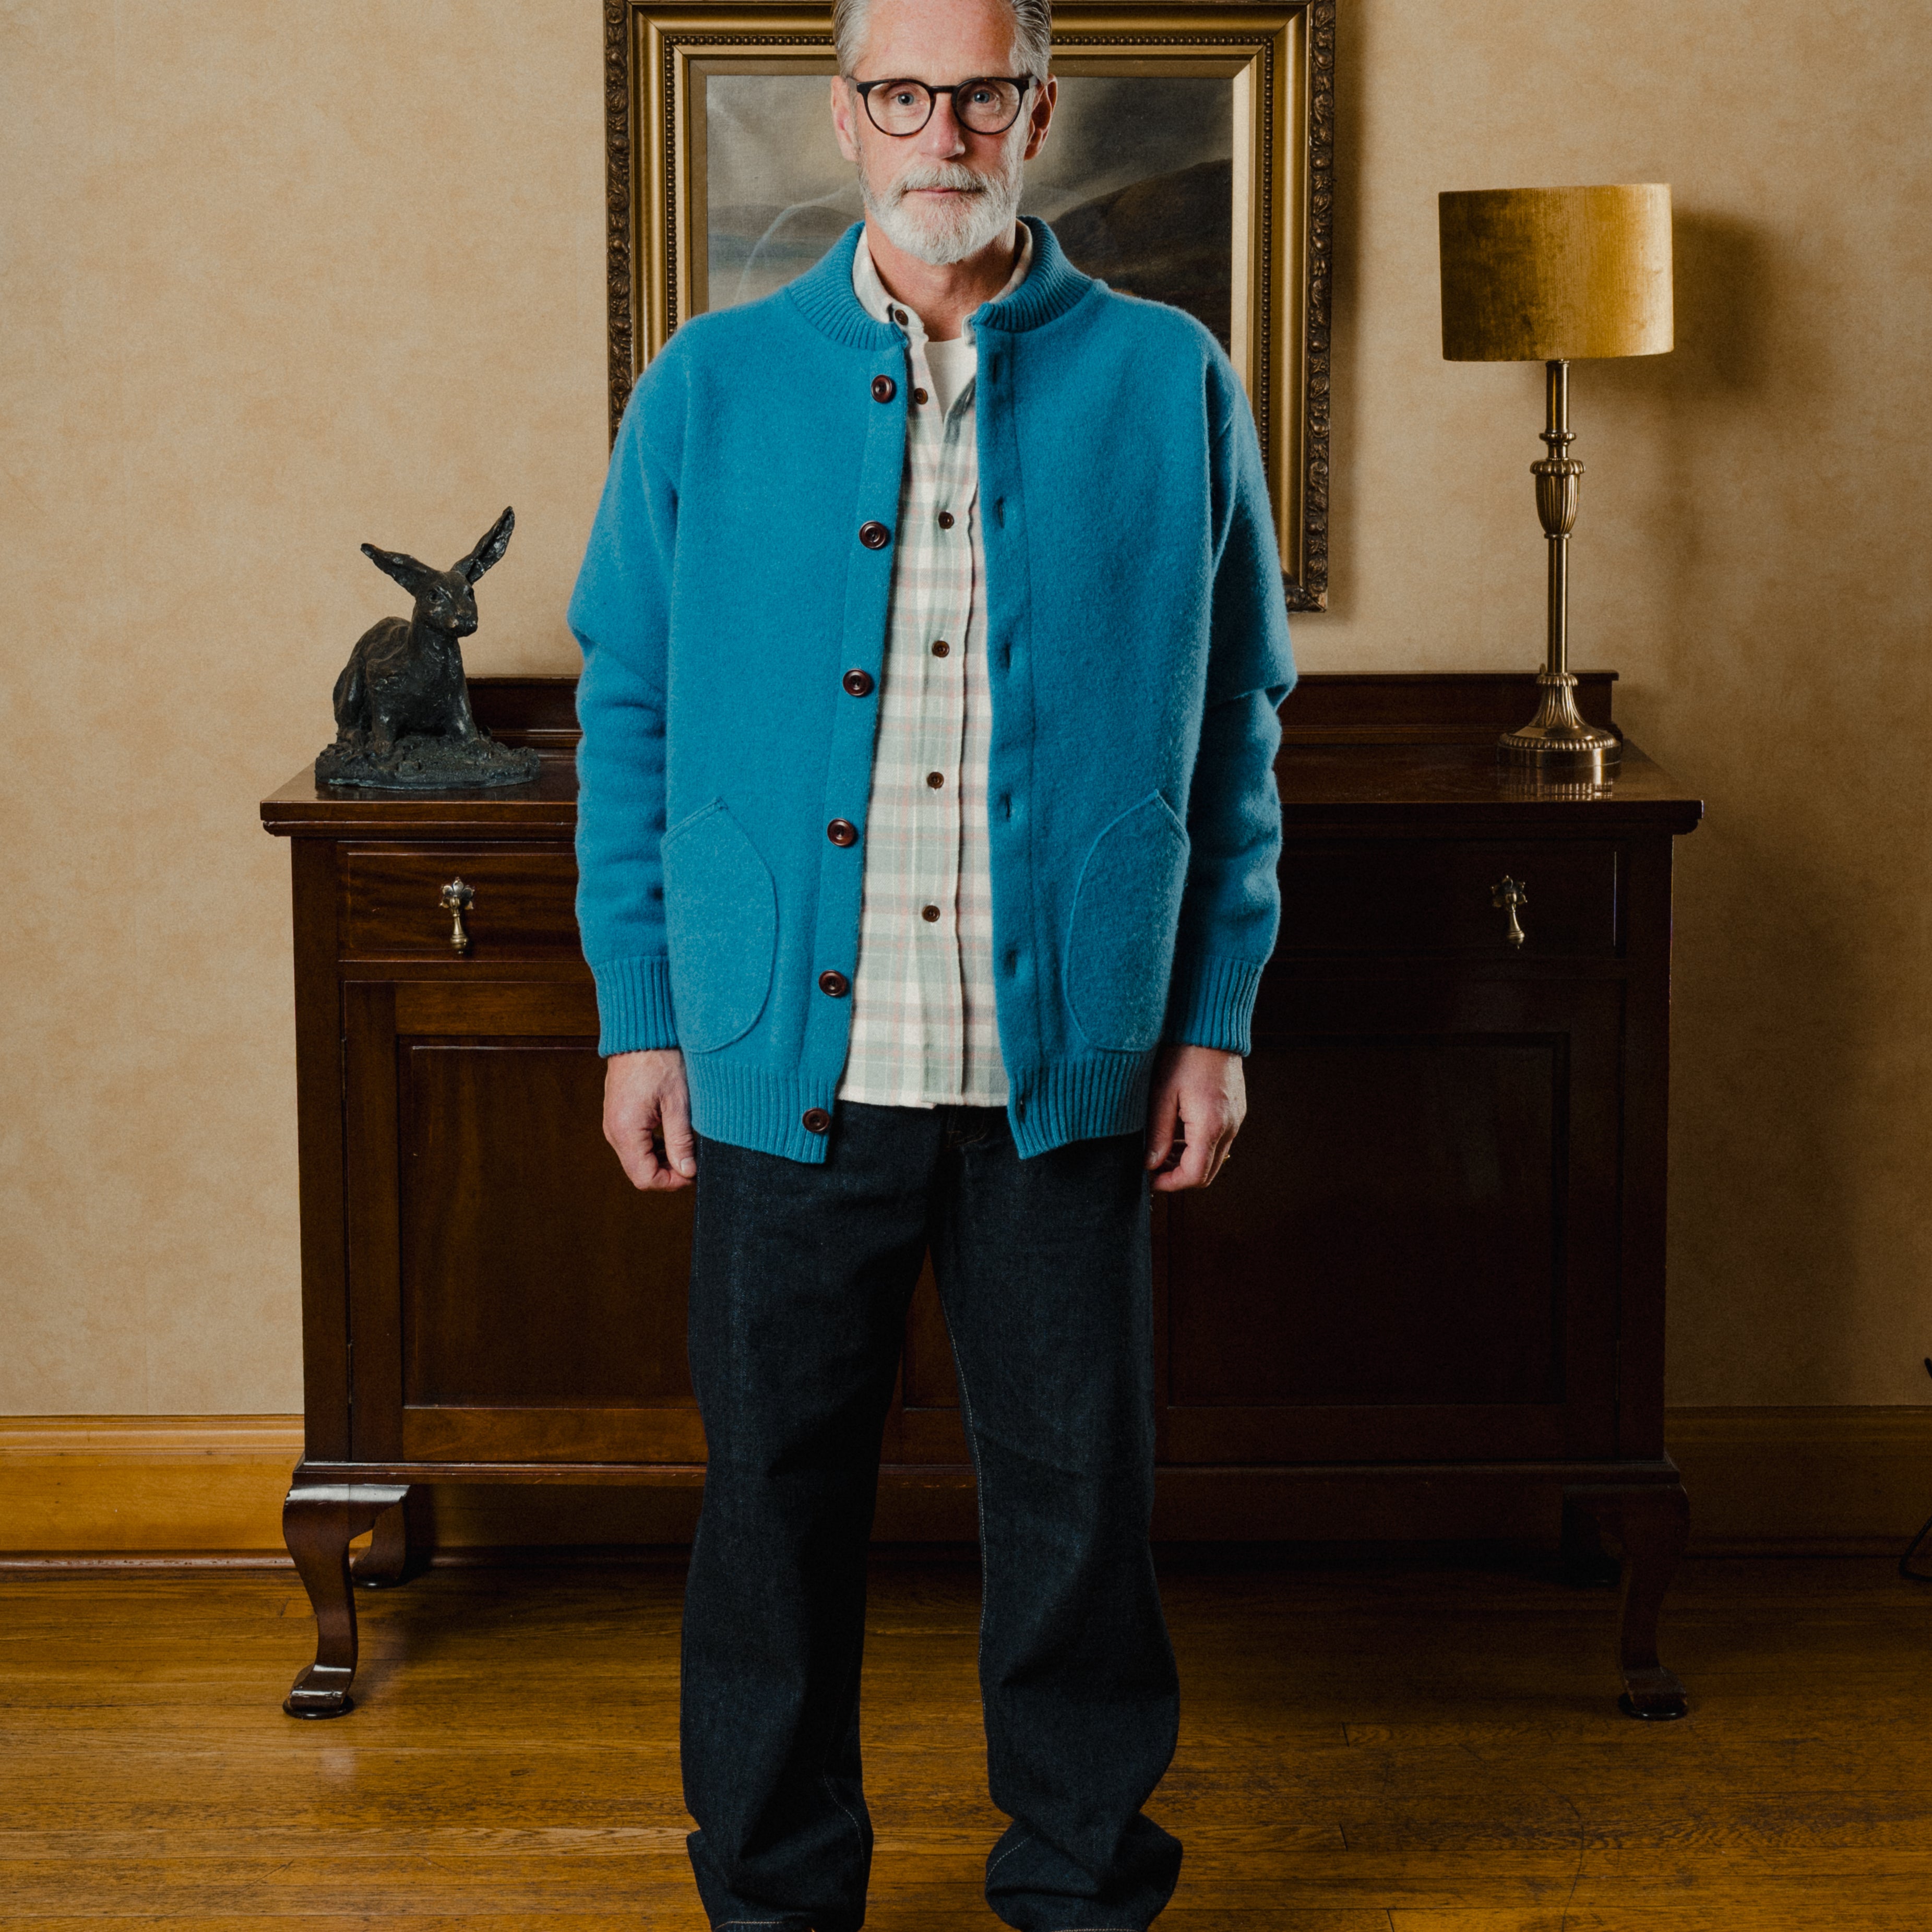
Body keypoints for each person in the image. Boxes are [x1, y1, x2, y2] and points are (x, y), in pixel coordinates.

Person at [567, 0, 1295, 1921]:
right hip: (780, 1060)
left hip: (1069, 1061)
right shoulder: (710, 388)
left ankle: (1076, 1888)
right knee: (774, 1516)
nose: (941, 127)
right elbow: (627, 707)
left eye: (981, 90)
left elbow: (1240, 723)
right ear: (849, 113)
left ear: (1038, 109)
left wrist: (1210, 1019)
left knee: (1078, 1518)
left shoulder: (1169, 377)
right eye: (904, 91)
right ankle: (780, 1894)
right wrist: (645, 1016)